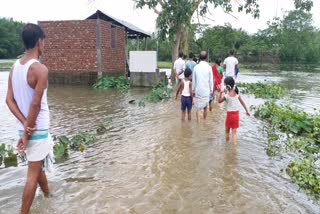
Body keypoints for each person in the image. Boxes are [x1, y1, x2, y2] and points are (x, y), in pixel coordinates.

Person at [6, 23, 53, 214]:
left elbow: (9, 100)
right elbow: (35, 104)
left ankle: (49, 195)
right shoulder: (40, 70)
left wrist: (24, 125)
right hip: (37, 129)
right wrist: (28, 129)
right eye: (43, 42)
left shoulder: (14, 68)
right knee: (32, 175)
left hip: (25, 128)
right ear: (38, 42)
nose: (44, 45)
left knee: (37, 162)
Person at [218, 77, 250, 144]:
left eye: (224, 84)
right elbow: (242, 103)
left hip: (230, 114)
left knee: (227, 131)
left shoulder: (226, 95)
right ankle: (234, 148)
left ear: (227, 85)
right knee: (234, 133)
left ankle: (227, 146)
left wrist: (220, 93)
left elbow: (219, 101)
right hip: (236, 114)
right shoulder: (237, 94)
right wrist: (247, 111)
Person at [192, 51, 213, 123]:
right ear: (206, 58)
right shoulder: (209, 67)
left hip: (198, 90)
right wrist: (211, 90)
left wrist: (193, 91)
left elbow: (194, 80)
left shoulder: (196, 67)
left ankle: (198, 124)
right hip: (206, 90)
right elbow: (211, 80)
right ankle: (204, 122)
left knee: (198, 108)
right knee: (205, 108)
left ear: (199, 57)